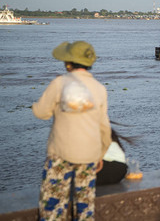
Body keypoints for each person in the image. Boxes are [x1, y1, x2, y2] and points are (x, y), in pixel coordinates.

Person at [32, 41, 112, 220]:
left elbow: (41, 112)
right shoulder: (99, 89)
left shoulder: (60, 83)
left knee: (52, 206)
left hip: (61, 154)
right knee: (84, 207)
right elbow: (104, 128)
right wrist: (100, 154)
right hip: (88, 155)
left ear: (68, 63)